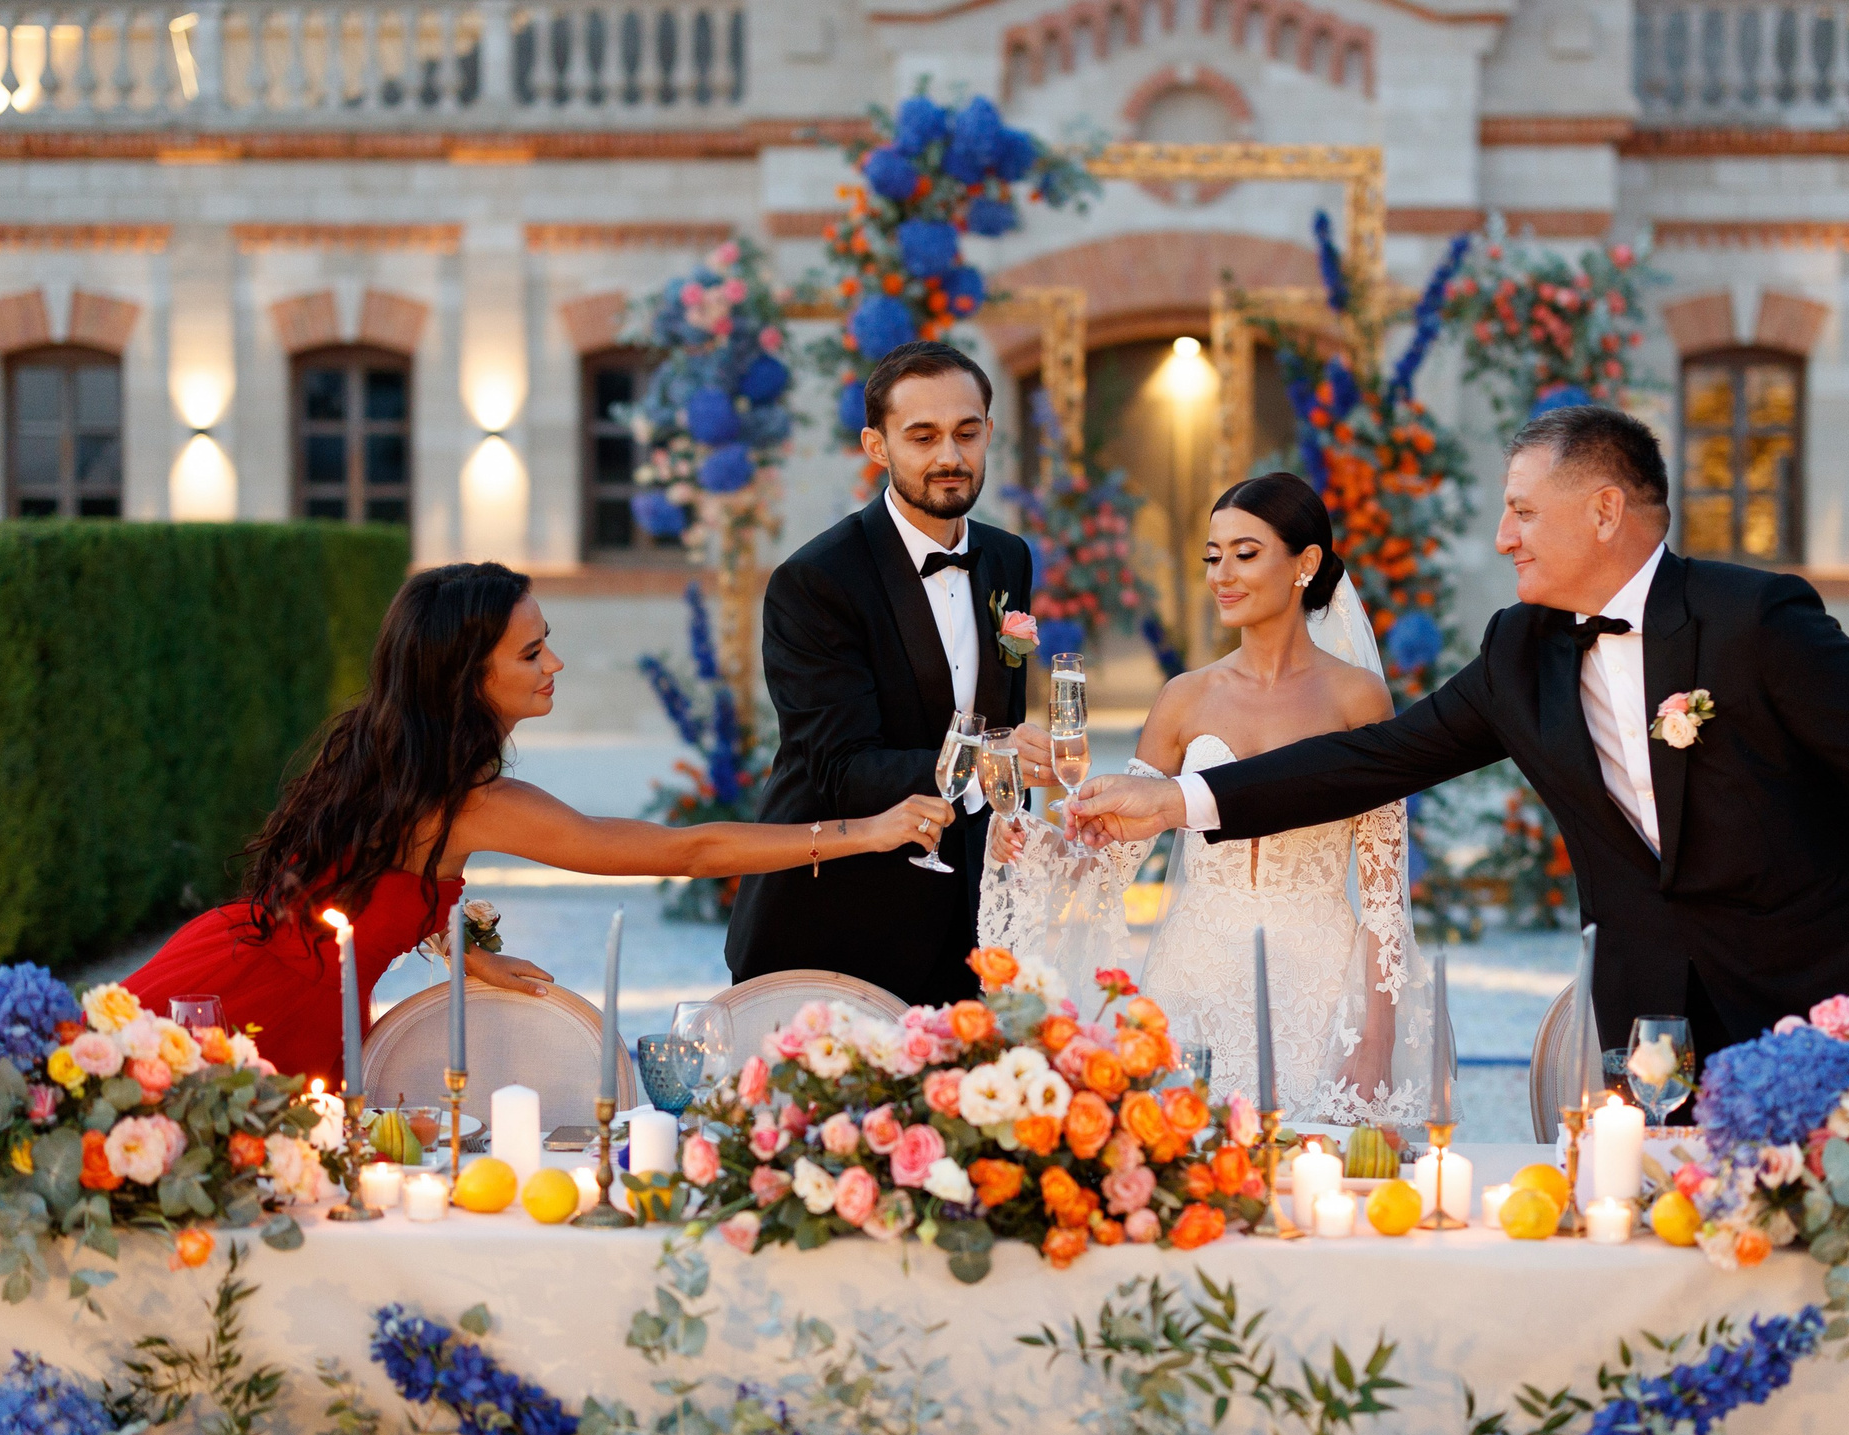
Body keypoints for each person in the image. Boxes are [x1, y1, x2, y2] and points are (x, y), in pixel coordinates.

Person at [1066, 405, 1849, 1057]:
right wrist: (1178, 800)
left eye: (1523, 510)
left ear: (1605, 510)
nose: (1503, 536)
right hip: (1652, 1021)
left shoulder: (1757, 621)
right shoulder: (1518, 652)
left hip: (1825, 997)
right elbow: (1376, 759)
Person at [125, 561, 952, 1079]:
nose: (554, 663)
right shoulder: (468, 801)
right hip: (250, 1009)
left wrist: (461, 947)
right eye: (529, 654)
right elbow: (684, 849)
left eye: (546, 641)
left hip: (245, 970)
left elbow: (360, 881)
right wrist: (864, 832)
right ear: (464, 677)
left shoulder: (391, 755)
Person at [979, 473, 1436, 1121]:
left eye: (1245, 554)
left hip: (1316, 987)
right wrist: (1032, 844)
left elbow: (1385, 898)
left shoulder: (1356, 699)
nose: (1222, 574)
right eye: (1213, 557)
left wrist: (1375, 1039)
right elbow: (1110, 858)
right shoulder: (1183, 698)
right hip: (1192, 983)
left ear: (1305, 562)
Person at [725, 340, 1055, 1005]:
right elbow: (843, 770)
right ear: (877, 446)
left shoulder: (1009, 558)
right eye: (922, 435)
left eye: (966, 432)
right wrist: (992, 760)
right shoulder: (815, 582)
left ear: (990, 432)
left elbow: (998, 717)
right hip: (834, 926)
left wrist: (1011, 810)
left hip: (969, 927)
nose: (949, 457)